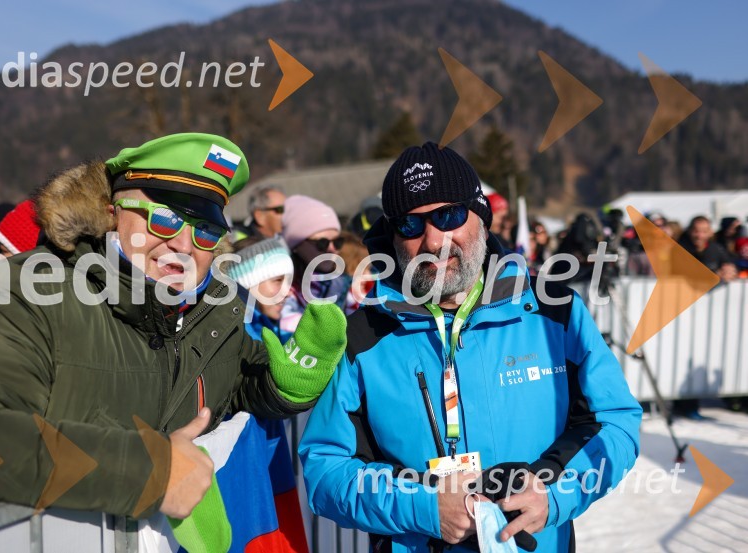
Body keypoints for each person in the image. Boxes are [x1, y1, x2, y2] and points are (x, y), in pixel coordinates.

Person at [0, 134, 346, 539]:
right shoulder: (23, 292)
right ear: (109, 212)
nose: (182, 242)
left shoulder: (209, 312)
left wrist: (287, 385)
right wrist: (148, 472)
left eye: (206, 229)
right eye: (163, 217)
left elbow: (233, 383)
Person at [299, 142, 642, 553]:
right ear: (392, 238)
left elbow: (616, 422)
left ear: (481, 216)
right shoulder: (362, 337)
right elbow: (325, 470)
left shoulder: (555, 313)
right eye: (411, 224)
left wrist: (553, 492)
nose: (433, 239)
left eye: (449, 215)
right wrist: (423, 506)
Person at [279, 194, 351, 333]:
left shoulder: (347, 284)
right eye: (321, 243)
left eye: (337, 242)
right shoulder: (281, 289)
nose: (331, 249)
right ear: (297, 246)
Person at [225, 236, 294, 343]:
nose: (288, 292)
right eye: (278, 280)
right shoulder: (239, 338)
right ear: (247, 282)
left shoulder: (271, 331)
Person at [678, 215, 737, 282]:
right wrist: (715, 274)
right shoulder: (679, 250)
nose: (699, 236)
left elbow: (730, 263)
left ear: (710, 232)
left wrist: (729, 270)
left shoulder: (716, 249)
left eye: (704, 231)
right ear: (689, 231)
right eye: (696, 231)